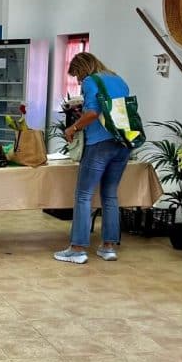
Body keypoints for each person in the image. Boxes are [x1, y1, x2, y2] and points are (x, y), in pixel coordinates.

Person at [54, 52, 132, 264]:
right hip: (123, 144)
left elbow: (93, 113)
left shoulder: (90, 81)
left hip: (99, 143)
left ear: (83, 69)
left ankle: (77, 249)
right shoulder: (119, 80)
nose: (79, 81)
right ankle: (108, 247)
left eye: (77, 76)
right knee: (110, 195)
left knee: (83, 195)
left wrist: (73, 127)